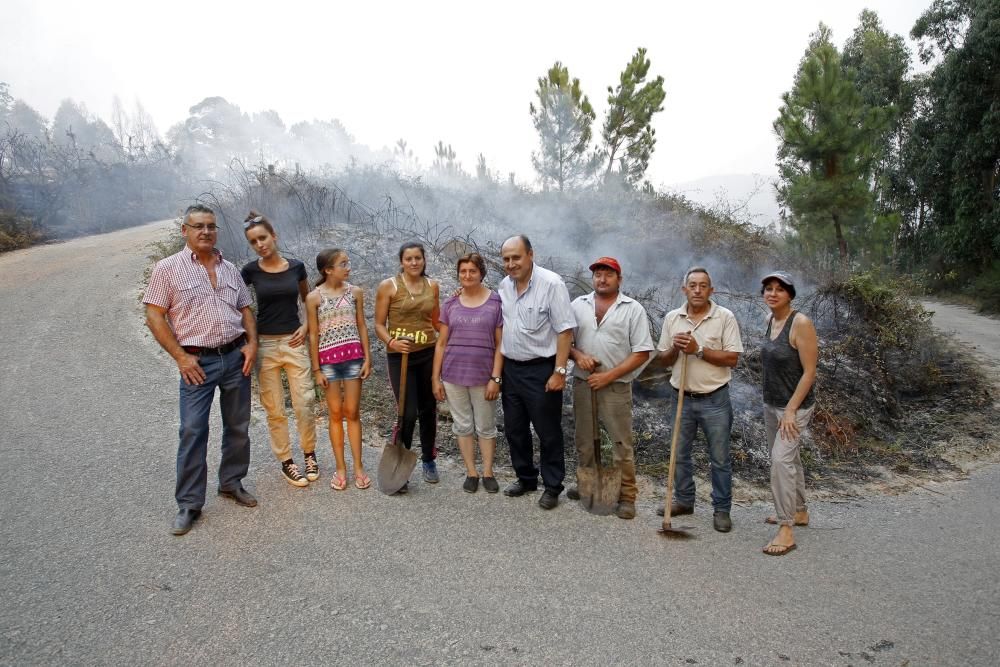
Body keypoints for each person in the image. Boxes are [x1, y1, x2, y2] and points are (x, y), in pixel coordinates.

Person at [143, 204, 258, 536]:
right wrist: (180, 356)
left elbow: (245, 309)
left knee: (238, 425)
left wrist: (252, 344)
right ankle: (190, 504)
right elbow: (154, 315)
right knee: (193, 430)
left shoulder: (230, 269)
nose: (206, 231)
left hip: (236, 356)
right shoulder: (167, 269)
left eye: (211, 226)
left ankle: (231, 482)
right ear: (185, 231)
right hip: (197, 362)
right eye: (198, 226)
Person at [655, 267, 743, 532]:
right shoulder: (673, 318)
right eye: (692, 285)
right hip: (681, 395)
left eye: (703, 286)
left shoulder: (724, 317)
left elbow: (733, 359)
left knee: (719, 458)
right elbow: (663, 360)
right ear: (684, 289)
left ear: (711, 290)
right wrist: (675, 348)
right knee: (679, 454)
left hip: (715, 399)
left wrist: (699, 351)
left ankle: (722, 510)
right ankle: (684, 500)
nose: (697, 290)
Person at [567, 257, 654, 520]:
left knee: (619, 443)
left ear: (619, 279)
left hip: (615, 387)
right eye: (597, 275)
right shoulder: (577, 305)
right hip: (583, 382)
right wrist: (577, 355)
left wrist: (608, 377)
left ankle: (627, 496)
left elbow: (642, 352)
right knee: (585, 439)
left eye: (608, 274)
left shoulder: (632, 308)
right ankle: (589, 485)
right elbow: (564, 340)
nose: (602, 279)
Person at [497, 235, 576, 510]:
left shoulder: (552, 284)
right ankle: (526, 477)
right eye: (506, 259)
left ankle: (553, 485)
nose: (510, 264)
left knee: (548, 431)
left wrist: (560, 371)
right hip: (512, 369)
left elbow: (565, 330)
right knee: (515, 429)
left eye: (516, 257)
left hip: (542, 369)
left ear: (531, 254)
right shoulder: (504, 286)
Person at [241, 211, 318, 488]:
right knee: (274, 408)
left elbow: (307, 299)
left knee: (304, 402)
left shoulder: (296, 267)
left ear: (274, 236)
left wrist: (308, 325)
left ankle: (309, 454)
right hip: (265, 346)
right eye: (253, 241)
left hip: (294, 342)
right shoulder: (250, 271)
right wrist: (249, 338)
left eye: (263, 237)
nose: (260, 244)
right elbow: (239, 304)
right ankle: (287, 460)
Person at [431, 253, 504, 494]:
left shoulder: (495, 303)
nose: (467, 276)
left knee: (485, 426)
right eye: (463, 271)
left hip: (484, 376)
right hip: (453, 374)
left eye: (472, 271)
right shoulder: (450, 304)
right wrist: (436, 378)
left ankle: (488, 472)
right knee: (462, 425)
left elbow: (500, 344)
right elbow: (441, 343)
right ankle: (471, 472)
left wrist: (496, 377)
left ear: (481, 273)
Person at [759, 271, 817, 556]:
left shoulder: (801, 323)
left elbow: (809, 373)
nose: (772, 293)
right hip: (771, 403)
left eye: (779, 289)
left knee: (780, 461)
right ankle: (800, 511)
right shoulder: (769, 320)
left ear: (790, 295)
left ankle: (786, 529)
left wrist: (791, 410)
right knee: (789, 457)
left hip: (794, 407)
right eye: (768, 289)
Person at [374, 241, 441, 487]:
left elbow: (436, 321)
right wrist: (392, 342)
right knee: (407, 411)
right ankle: (400, 457)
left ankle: (428, 459)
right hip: (399, 358)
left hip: (427, 354)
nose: (414, 263)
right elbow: (379, 324)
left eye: (418, 258)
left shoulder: (432, 286)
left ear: (424, 260)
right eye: (409, 259)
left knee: (428, 409)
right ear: (401, 261)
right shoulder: (388, 287)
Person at [306, 249, 373, 491]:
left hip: (353, 359)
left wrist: (367, 358)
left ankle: (358, 466)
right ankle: (340, 467)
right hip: (329, 363)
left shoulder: (354, 292)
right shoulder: (314, 298)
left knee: (352, 412)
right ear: (328, 270)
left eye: (348, 262)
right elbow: (313, 335)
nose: (349, 267)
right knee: (335, 414)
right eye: (343, 263)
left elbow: (362, 326)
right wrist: (317, 369)